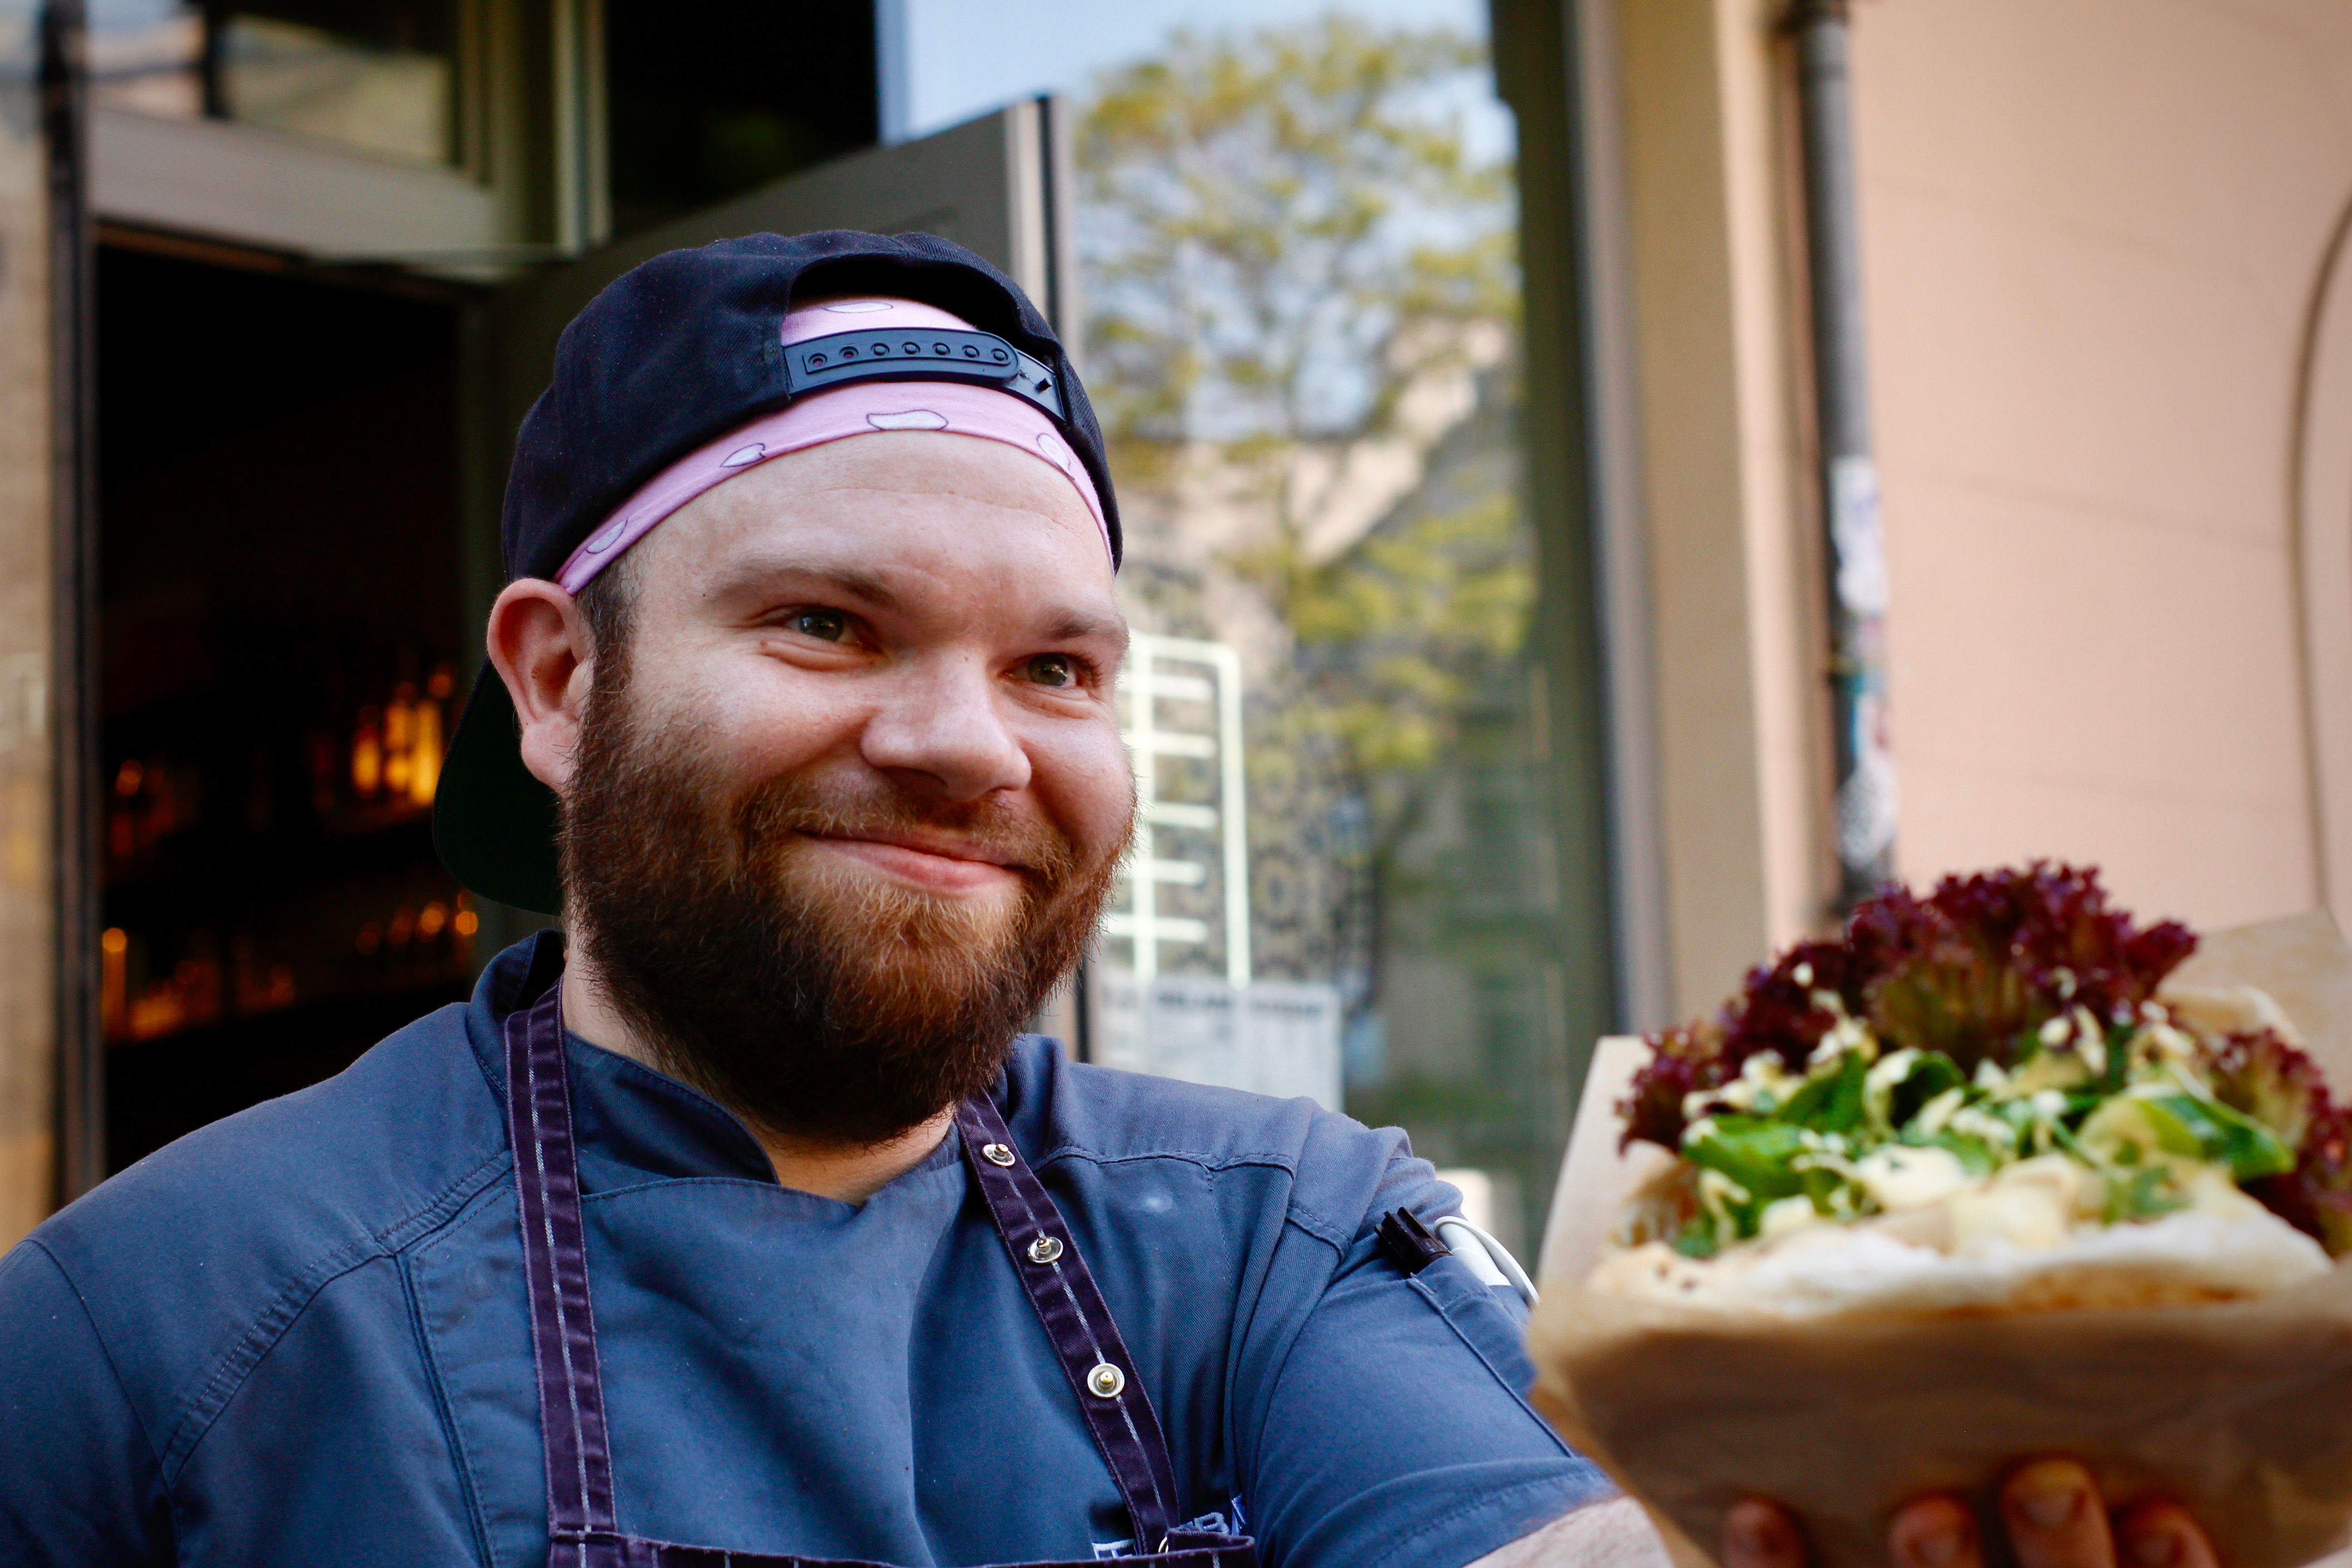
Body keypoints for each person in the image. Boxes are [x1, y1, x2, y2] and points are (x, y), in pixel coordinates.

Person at [0, 233, 2222, 1568]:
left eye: (1055, 664)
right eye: (832, 627)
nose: (974, 742)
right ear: (562, 683)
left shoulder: (1261, 1238)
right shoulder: (154, 1336)